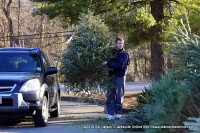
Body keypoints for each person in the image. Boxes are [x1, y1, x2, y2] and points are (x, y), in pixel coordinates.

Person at [102, 37, 130, 120]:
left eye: (122, 43)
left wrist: (108, 63)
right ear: (115, 44)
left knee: (119, 95)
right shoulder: (112, 53)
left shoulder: (124, 54)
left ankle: (118, 113)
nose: (120, 45)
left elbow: (119, 65)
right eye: (119, 43)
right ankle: (111, 114)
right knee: (110, 95)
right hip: (111, 76)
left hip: (120, 77)